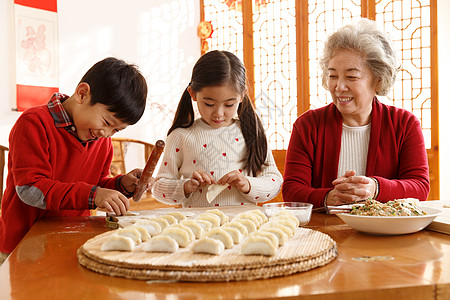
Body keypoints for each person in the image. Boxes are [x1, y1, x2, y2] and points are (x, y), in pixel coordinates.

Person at [0, 57, 148, 262]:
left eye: (116, 130)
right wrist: (94, 194)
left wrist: (121, 185)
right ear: (82, 94)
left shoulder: (100, 140)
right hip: (24, 246)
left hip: (73, 241)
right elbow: (31, 190)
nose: (107, 134)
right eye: (106, 122)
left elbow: (95, 185)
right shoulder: (34, 123)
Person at [282, 19, 430, 209]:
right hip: (322, 233)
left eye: (351, 76)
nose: (339, 87)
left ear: (378, 80)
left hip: (383, 232)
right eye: (333, 75)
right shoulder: (307, 125)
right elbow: (292, 190)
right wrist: (328, 197)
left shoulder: (404, 123)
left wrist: (375, 188)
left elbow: (419, 187)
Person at [152, 50, 283, 207]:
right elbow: (158, 187)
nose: (219, 113)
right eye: (209, 104)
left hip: (244, 227)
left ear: (242, 96)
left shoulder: (251, 132)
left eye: (229, 104)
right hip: (198, 228)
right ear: (192, 93)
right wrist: (186, 186)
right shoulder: (180, 136)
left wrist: (247, 184)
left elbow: (274, 181)